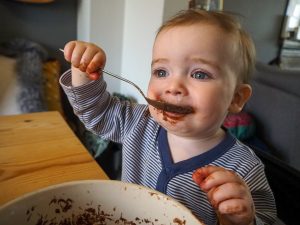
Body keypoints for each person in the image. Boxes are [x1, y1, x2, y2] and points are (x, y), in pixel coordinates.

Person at [60, 9, 276, 225]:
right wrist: (83, 72)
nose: (173, 87)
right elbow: (96, 113)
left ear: (236, 98)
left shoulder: (245, 167)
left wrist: (242, 220)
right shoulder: (138, 122)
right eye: (161, 72)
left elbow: (265, 219)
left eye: (199, 74)